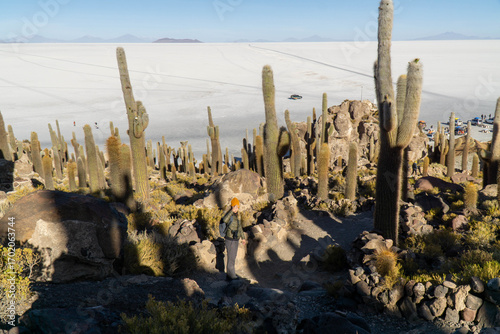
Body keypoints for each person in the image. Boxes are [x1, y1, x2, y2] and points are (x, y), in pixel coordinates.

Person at [221, 197, 246, 281]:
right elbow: (224, 220)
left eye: (237, 207)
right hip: (230, 239)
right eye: (235, 207)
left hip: (236, 239)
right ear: (232, 206)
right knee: (231, 257)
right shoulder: (229, 214)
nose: (236, 208)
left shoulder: (238, 215)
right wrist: (231, 210)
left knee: (233, 257)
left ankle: (230, 275)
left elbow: (240, 227)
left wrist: (243, 238)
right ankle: (232, 276)